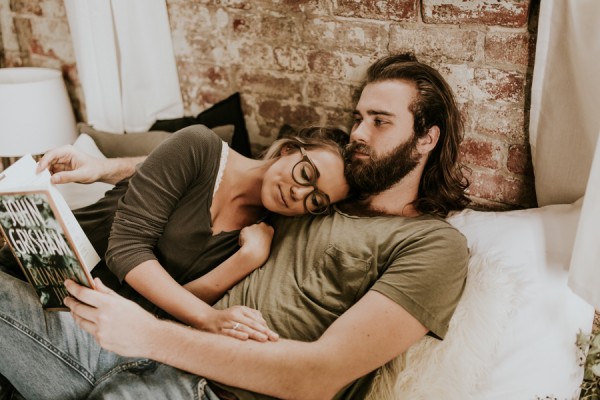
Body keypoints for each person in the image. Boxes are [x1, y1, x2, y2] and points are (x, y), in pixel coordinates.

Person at [0, 52, 471, 400]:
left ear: (427, 138)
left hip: (202, 386)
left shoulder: (434, 245)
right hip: (137, 347)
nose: (360, 134)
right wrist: (105, 167)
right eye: (359, 118)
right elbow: (226, 168)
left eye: (381, 122)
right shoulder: (329, 197)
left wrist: (148, 333)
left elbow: (318, 376)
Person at [0, 125, 349, 343]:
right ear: (289, 149)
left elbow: (168, 303)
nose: (299, 194)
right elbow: (126, 248)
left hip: (98, 324)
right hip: (37, 273)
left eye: (316, 200)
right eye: (306, 174)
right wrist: (208, 319)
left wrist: (246, 260)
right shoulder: (198, 145)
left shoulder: (264, 235)